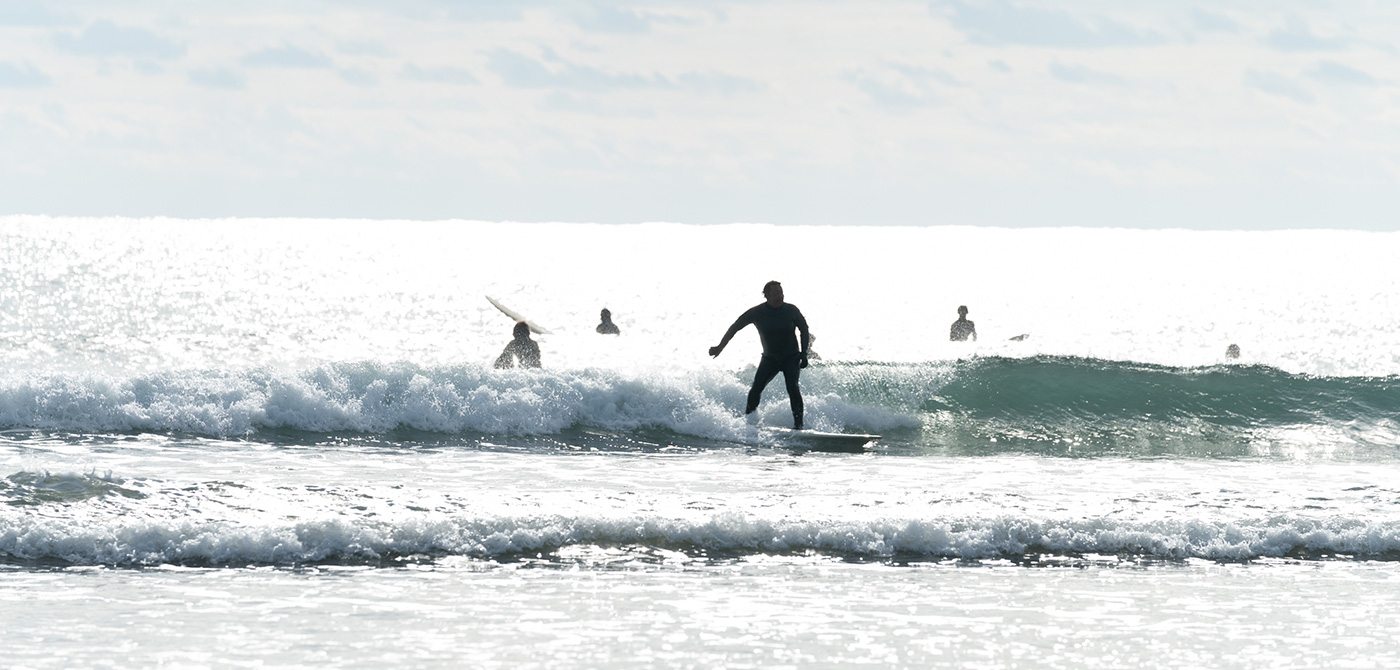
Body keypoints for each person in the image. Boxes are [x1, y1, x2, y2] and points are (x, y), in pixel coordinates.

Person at [709, 280, 810, 430]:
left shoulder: (791, 310)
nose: (780, 296)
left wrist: (803, 353)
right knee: (756, 389)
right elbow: (735, 327)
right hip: (770, 359)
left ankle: (799, 426)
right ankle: (749, 423)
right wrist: (720, 347)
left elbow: (804, 329)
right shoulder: (757, 312)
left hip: (790, 357)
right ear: (767, 295)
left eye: (781, 293)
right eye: (776, 293)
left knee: (792, 387)